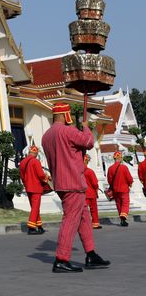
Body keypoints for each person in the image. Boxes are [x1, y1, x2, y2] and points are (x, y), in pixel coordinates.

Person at [42, 102, 110, 273]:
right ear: (66, 115)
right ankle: (61, 258)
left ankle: (91, 254)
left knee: (83, 218)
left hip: (60, 182)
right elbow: (88, 142)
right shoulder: (68, 131)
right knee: (71, 219)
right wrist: (85, 127)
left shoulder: (46, 135)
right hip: (73, 182)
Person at [19, 145, 50, 235]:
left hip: (28, 187)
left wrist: (26, 184)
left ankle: (39, 226)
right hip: (36, 187)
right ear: (36, 153)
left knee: (34, 208)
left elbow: (22, 176)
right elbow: (41, 175)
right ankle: (31, 227)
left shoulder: (22, 162)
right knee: (35, 208)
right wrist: (47, 179)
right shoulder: (35, 162)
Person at [106, 151, 133, 227]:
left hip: (115, 190)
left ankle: (122, 221)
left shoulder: (110, 168)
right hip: (124, 189)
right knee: (125, 203)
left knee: (119, 204)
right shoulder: (124, 167)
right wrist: (130, 183)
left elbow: (109, 180)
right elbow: (129, 178)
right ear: (120, 158)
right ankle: (123, 215)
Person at [83, 154, 101, 229]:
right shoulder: (90, 171)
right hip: (91, 193)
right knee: (93, 209)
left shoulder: (78, 172)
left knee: (83, 210)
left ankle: (84, 224)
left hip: (82, 193)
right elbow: (94, 183)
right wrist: (96, 188)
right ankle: (95, 223)